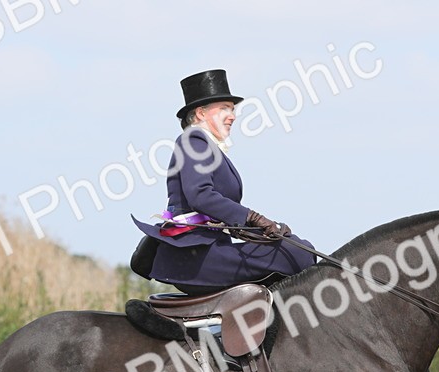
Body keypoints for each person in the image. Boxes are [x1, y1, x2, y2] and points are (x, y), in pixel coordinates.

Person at [131, 69, 318, 295]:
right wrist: (252, 218)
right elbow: (200, 194)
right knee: (298, 253)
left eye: (232, 109)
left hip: (210, 248)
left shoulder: (207, 147)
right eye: (225, 109)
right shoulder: (193, 141)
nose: (233, 115)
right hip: (194, 256)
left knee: (295, 246)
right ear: (200, 113)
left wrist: (262, 230)